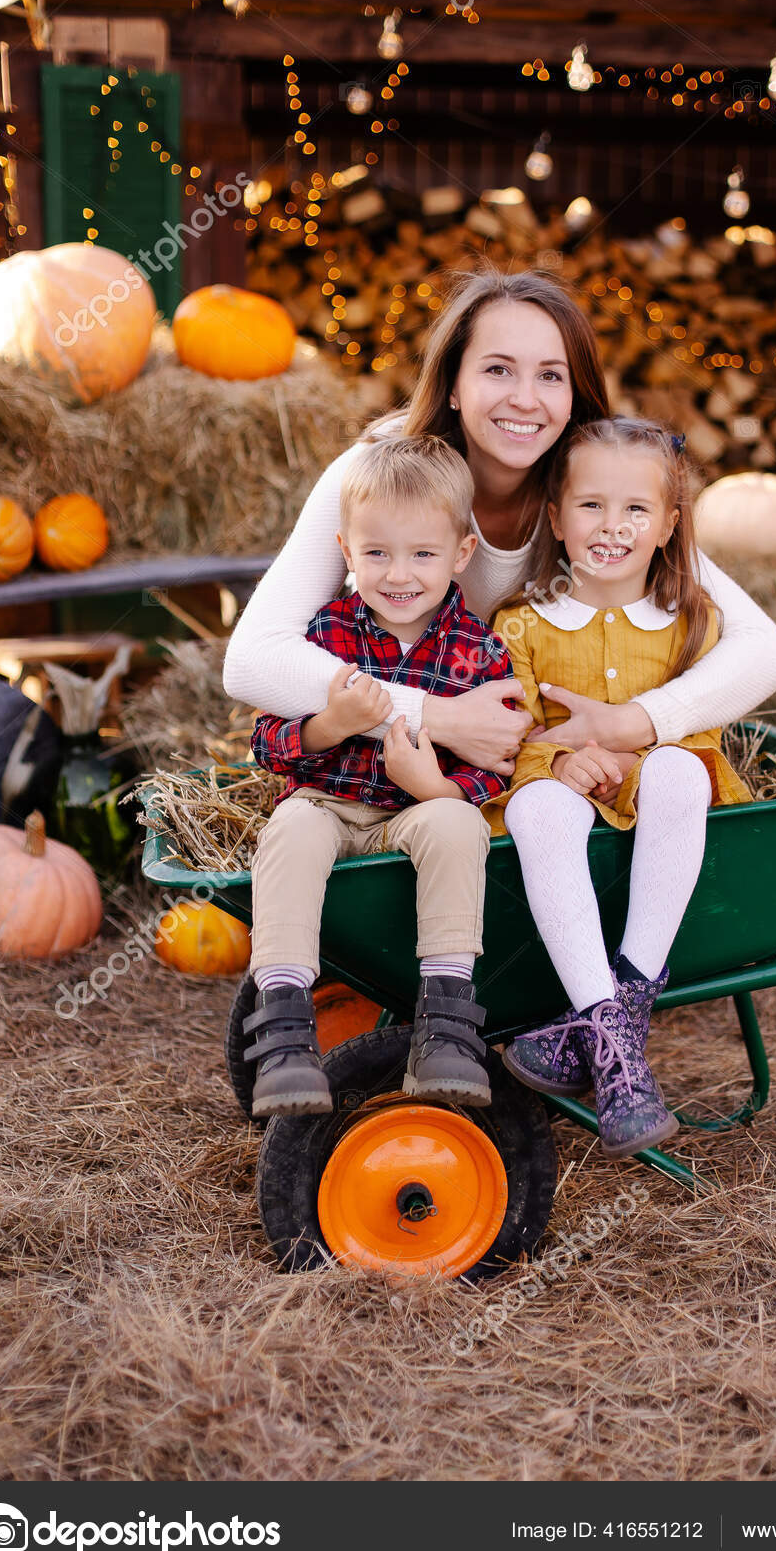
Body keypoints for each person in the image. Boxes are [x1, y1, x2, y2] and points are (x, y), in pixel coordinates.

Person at [223, 267, 776, 785]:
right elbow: (252, 660)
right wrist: (436, 717)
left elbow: (766, 649)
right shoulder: (381, 475)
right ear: (453, 384)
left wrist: (636, 722)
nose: (525, 400)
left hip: (542, 772)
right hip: (386, 773)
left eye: (551, 376)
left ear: (575, 396)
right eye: (498, 370)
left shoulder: (597, 497)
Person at [484, 415, 776, 1158]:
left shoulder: (692, 624)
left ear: (668, 525)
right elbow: (510, 737)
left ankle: (606, 1025)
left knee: (682, 765)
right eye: (590, 506)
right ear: (554, 516)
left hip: (662, 801)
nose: (610, 527)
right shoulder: (521, 624)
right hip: (566, 807)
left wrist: (633, 737)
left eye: (635, 510)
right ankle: (611, 1027)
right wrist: (554, 762)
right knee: (538, 804)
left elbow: (699, 734)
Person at [245, 433, 514, 1119]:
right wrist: (329, 725)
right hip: (329, 802)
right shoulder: (322, 636)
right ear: (345, 554)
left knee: (456, 822)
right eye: (376, 553)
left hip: (411, 815)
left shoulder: (479, 651)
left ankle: (447, 1028)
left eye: (422, 554)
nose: (399, 574)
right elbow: (266, 743)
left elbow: (498, 764)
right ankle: (284, 1030)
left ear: (460, 554)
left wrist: (438, 789)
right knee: (290, 828)